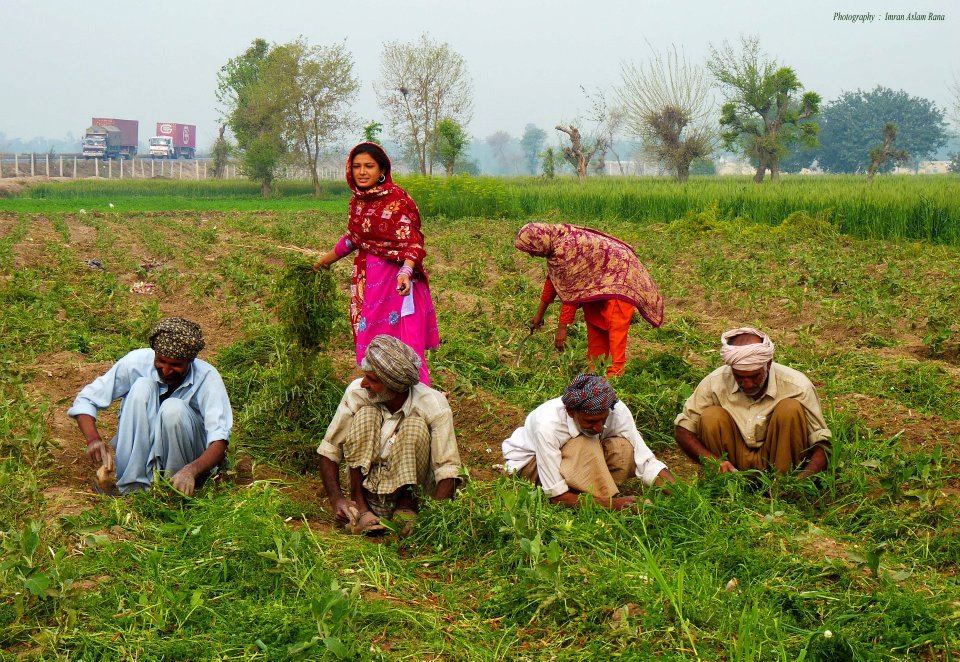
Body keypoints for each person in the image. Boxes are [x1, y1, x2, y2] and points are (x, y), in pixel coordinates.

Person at [313, 142, 440, 386]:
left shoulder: (397, 200)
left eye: (369, 166)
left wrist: (405, 270)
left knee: (405, 352)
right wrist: (323, 262)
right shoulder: (357, 204)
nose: (362, 172)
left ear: (381, 170)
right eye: (357, 167)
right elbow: (353, 238)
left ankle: (421, 407)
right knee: (375, 344)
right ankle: (382, 401)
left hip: (398, 287)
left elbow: (414, 243)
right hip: (371, 286)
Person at [68, 318, 232, 495]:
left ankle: (174, 490)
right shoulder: (136, 363)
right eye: (161, 361)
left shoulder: (208, 378)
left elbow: (220, 439)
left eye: (176, 365)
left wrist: (191, 470)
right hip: (141, 447)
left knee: (173, 409)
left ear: (190, 361)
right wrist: (93, 440)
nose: (167, 370)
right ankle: (132, 488)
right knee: (142, 387)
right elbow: (86, 400)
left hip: (187, 457)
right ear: (154, 354)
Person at [317, 335, 462, 535]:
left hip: (412, 496)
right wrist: (337, 500)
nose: (363, 384)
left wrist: (433, 522)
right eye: (365, 376)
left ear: (395, 386)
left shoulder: (433, 404)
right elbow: (329, 450)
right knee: (366, 415)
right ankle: (360, 507)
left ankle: (407, 507)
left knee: (415, 427)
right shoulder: (357, 394)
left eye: (373, 380)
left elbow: (448, 469)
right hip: (367, 492)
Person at [674, 326, 831, 477]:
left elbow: (823, 443)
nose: (747, 384)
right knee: (711, 416)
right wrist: (712, 462)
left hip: (781, 462)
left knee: (789, 409)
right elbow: (683, 430)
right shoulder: (715, 382)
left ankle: (781, 485)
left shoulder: (797, 386)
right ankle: (728, 484)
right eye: (739, 377)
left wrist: (803, 480)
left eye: (754, 376)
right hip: (733, 465)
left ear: (768, 365)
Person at [502, 373, 674, 510]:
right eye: (591, 422)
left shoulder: (616, 410)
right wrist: (615, 505)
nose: (599, 428)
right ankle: (601, 500)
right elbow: (556, 496)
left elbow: (644, 459)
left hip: (577, 461)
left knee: (623, 449)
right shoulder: (547, 425)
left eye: (603, 420)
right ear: (571, 412)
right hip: (532, 464)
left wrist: (682, 494)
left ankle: (589, 494)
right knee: (586, 443)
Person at [516, 222, 664, 377]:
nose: (532, 255)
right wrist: (538, 316)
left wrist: (562, 328)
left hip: (620, 276)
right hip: (597, 280)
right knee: (594, 320)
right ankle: (595, 374)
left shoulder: (565, 249)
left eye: (531, 250)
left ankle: (616, 377)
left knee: (615, 327)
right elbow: (552, 282)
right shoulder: (554, 244)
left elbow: (571, 293)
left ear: (540, 242)